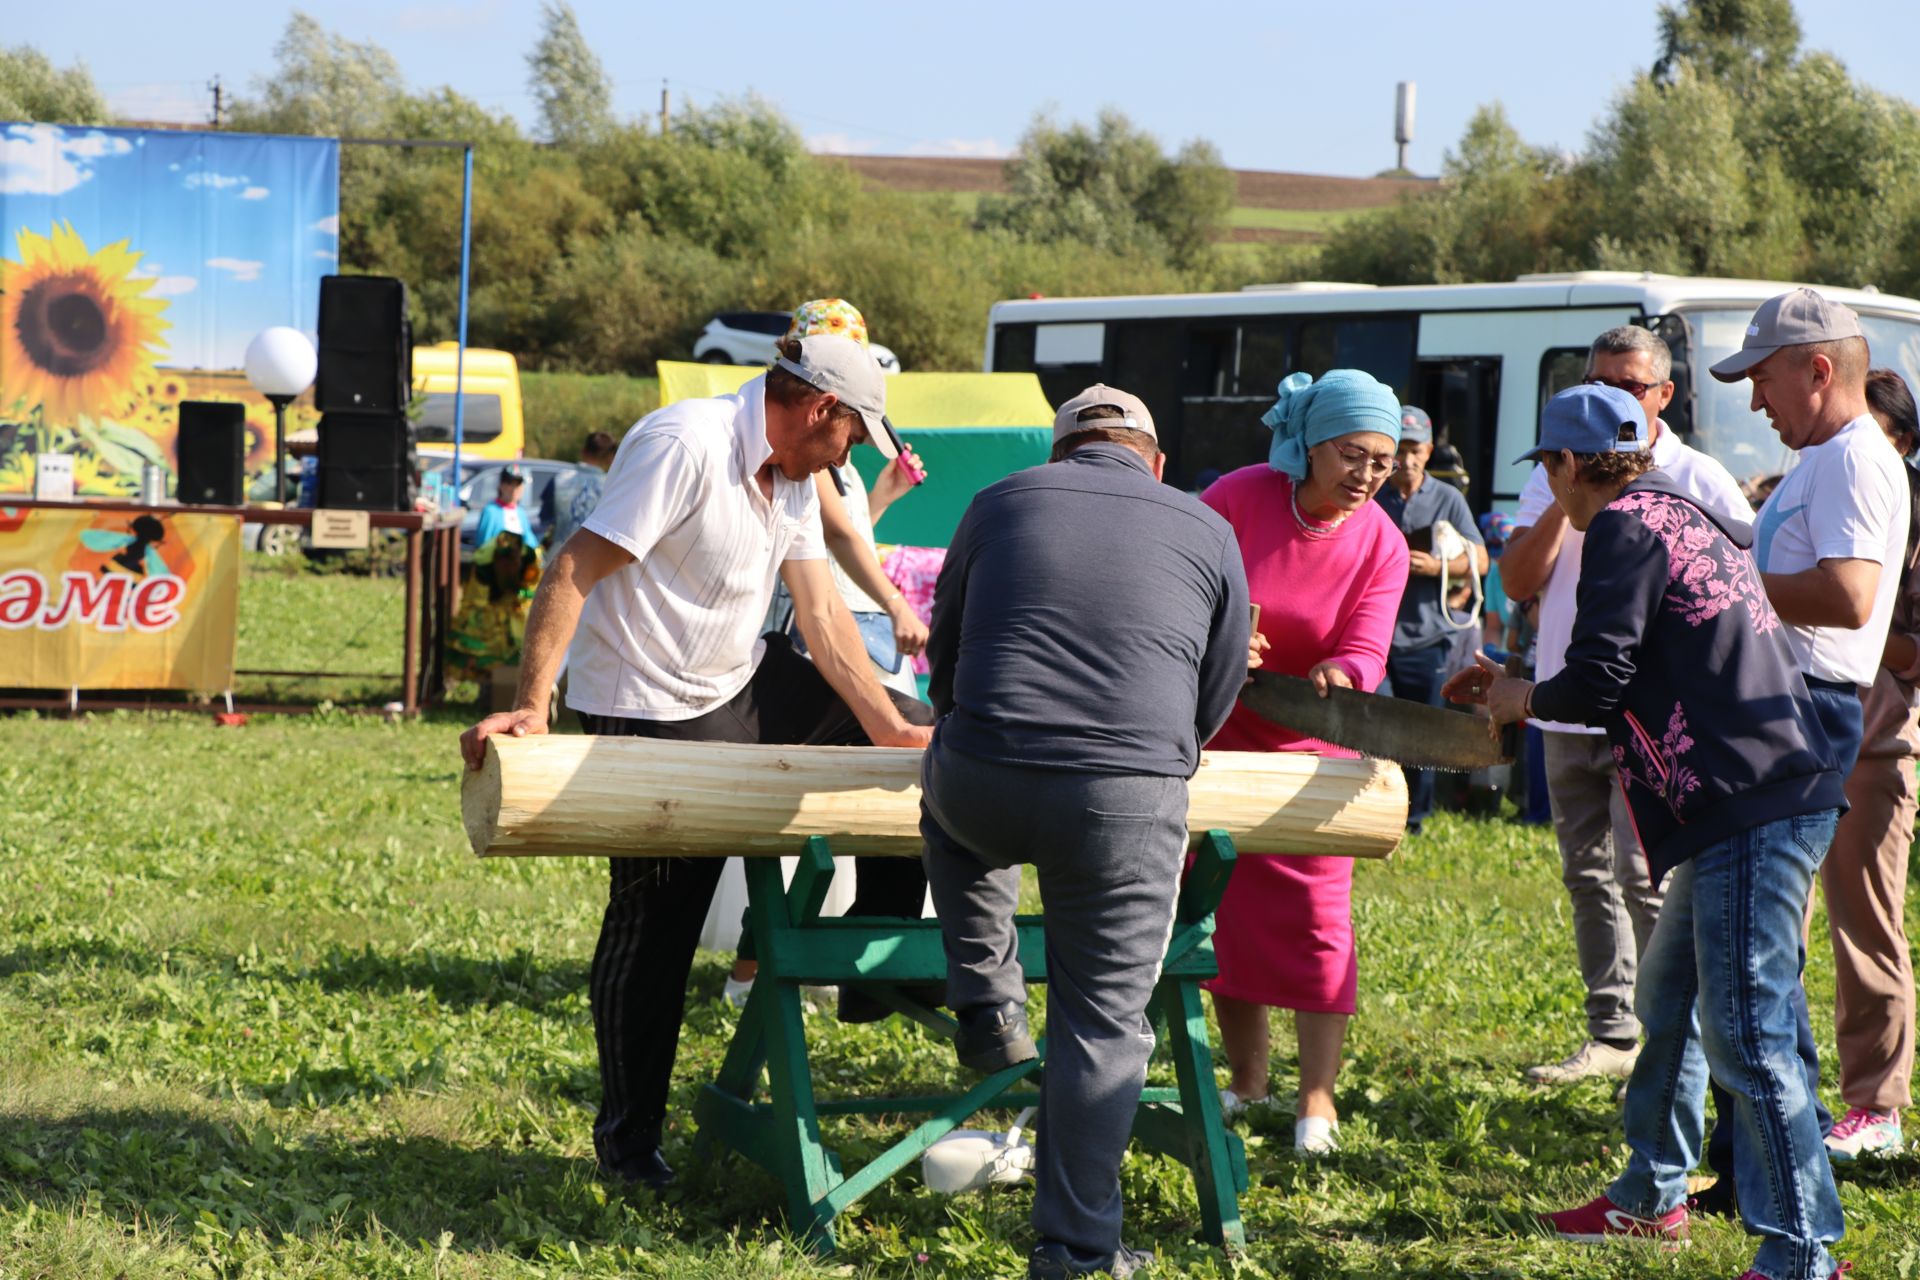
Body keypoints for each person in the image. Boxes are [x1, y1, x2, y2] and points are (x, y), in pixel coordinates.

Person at [457, 332, 933, 1193]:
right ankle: (629, 1141)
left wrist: (888, 727)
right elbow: (573, 568)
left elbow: (822, 614)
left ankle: (877, 973)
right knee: (660, 923)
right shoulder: (686, 443)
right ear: (820, 409)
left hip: (737, 679)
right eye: (853, 436)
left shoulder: (791, 471)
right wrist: (535, 704)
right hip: (643, 705)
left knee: (923, 735)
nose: (853, 454)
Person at [1453, 383, 1848, 1280]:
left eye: (1547, 470)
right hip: (1751, 794)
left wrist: (1521, 697)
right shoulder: (1681, 509)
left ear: (1559, 466)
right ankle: (1647, 1198)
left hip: (1749, 801)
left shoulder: (1622, 527)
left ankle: (1803, 1250)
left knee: (1748, 1035)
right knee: (1667, 1008)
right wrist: (1527, 684)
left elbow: (1595, 682)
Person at [920, 384, 1249, 1280]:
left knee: (950, 818)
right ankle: (1074, 1253)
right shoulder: (1206, 526)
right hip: (1127, 799)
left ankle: (987, 1002)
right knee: (1103, 1029)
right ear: (1155, 459)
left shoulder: (999, 500)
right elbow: (1216, 690)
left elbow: (943, 660)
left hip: (984, 775)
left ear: (1060, 454)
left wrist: (968, 722)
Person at [1498, 325, 1752, 1087]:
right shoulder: (1560, 465)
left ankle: (1680, 1043)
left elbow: (1742, 585)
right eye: (1600, 383)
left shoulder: (1697, 476)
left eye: (1629, 387)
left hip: (1650, 718)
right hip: (1563, 707)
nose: (1611, 398)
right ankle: (1614, 1032)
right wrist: (1565, 491)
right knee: (1587, 876)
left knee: (1649, 878)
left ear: (1664, 395)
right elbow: (1514, 582)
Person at [1709, 292, 1910, 1194]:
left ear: (1817, 370)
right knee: (1759, 947)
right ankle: (1766, 1148)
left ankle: (1782, 1172)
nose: (1756, 403)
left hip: (1807, 712)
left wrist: (1717, 582)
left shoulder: (1855, 461)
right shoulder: (1828, 458)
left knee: (1755, 949)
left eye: (1762, 380)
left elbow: (1851, 598)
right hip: (1790, 708)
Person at [1199, 369, 1409, 1153]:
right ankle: (1248, 1083)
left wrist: (1347, 674)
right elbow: (1180, 584)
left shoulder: (1382, 541)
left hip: (1312, 751)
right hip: (1218, 736)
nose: (1366, 476)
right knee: (1224, 913)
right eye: (1353, 455)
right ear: (1310, 444)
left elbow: (1369, 641)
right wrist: (1219, 638)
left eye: (1382, 462)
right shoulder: (1237, 496)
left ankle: (1316, 1102)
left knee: (1321, 928)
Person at [717, 298, 933, 1005]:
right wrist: (899, 601)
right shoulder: (797, 452)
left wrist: (885, 495)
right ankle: (765, 971)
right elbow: (837, 550)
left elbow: (846, 537)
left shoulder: (821, 453)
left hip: (848, 627)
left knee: (853, 808)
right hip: (825, 635)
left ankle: (850, 963)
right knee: (805, 820)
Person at [1817, 367, 1920, 1161]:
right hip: (1808, 738)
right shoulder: (1826, 487)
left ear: (1906, 446)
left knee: (1866, 924)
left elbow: (1913, 652)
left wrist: (1849, 606)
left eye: (1878, 445)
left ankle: (1877, 1107)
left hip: (1878, 742)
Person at [1374, 402, 1487, 835]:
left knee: (1422, 738)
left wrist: (1436, 567)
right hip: (1377, 639)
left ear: (1428, 450)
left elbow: (1480, 561)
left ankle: (1415, 822)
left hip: (1428, 636)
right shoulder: (1369, 492)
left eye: (1416, 448)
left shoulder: (1447, 498)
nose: (1407, 458)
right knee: (1379, 733)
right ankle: (1376, 816)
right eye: (1399, 448)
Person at [547, 431, 618, 554]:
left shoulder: (559, 479)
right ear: (610, 458)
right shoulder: (612, 486)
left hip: (557, 557)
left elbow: (545, 522)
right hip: (593, 563)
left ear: (583, 451)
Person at [474, 465, 529, 548]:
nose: (514, 489)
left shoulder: (521, 513)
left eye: (518, 484)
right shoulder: (490, 512)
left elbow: (530, 543)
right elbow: (482, 548)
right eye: (510, 484)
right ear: (501, 486)